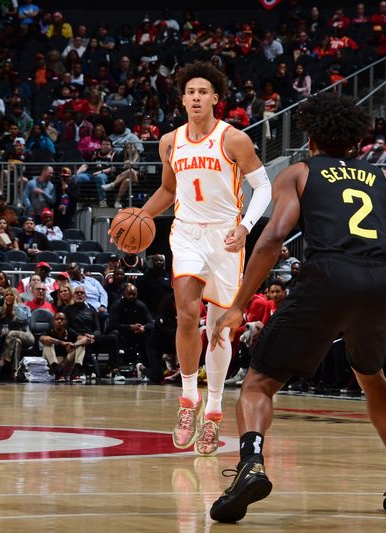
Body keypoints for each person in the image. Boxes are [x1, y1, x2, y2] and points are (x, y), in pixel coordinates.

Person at [207, 93, 386, 523]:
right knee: (372, 377)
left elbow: (274, 237)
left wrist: (239, 303)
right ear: (355, 141)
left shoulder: (298, 173)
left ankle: (252, 464)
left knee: (259, 382)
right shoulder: (385, 180)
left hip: (328, 274)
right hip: (378, 280)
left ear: (311, 136)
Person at [129, 61, 272, 457]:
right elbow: (167, 190)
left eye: (202, 92)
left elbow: (264, 188)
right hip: (187, 231)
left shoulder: (234, 140)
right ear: (183, 98)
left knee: (221, 327)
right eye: (189, 91)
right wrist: (140, 215)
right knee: (187, 314)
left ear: (215, 98)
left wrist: (244, 226)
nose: (195, 97)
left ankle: (213, 412)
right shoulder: (169, 141)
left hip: (225, 235)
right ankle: (188, 401)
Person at [40, 311, 85, 381]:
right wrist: (61, 343)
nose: (59, 321)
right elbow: (42, 339)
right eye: (57, 319)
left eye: (62, 319)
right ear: (53, 321)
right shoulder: (49, 331)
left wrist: (74, 345)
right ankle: (56, 370)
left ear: (66, 321)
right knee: (48, 344)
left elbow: (83, 339)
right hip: (52, 363)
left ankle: (76, 372)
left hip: (65, 363)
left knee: (81, 345)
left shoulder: (69, 331)